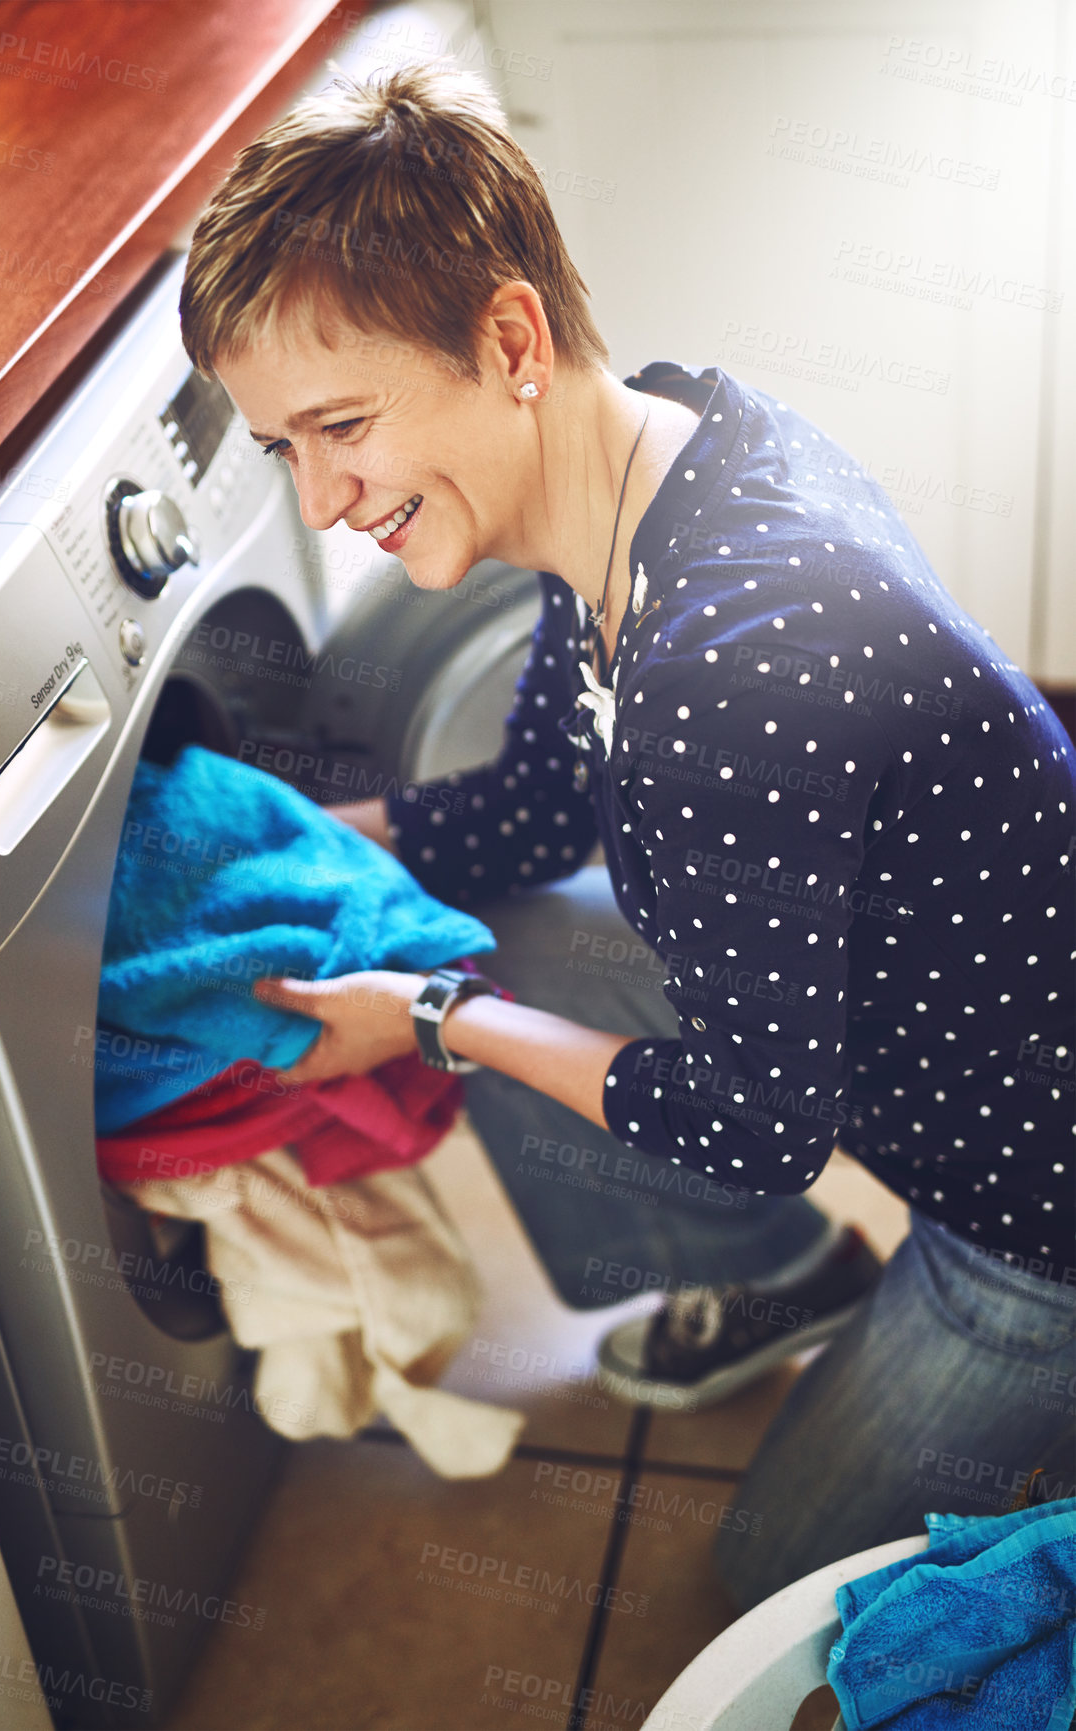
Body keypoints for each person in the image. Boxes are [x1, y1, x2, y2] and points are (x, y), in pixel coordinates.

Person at [177, 61, 1075, 1608]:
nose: (321, 500)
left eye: (342, 428)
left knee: (777, 1590)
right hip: (900, 1040)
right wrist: (285, 839)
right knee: (508, 923)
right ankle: (793, 1278)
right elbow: (535, 805)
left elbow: (757, 1124)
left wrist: (433, 1017)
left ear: (507, 339)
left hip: (1032, 1209)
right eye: (281, 451)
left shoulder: (731, 668)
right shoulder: (650, 453)